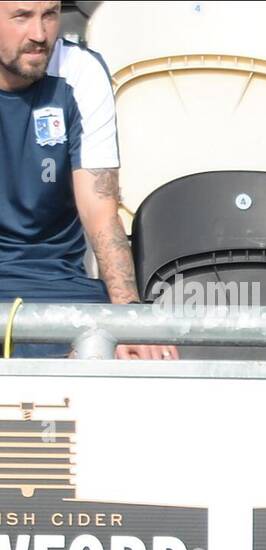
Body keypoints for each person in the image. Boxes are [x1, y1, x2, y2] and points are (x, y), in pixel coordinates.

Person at [0, 0, 174, 359]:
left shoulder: (79, 71)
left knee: (137, 356)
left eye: (49, 15)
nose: (39, 34)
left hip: (57, 285)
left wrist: (128, 313)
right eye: (21, 17)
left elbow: (100, 213)